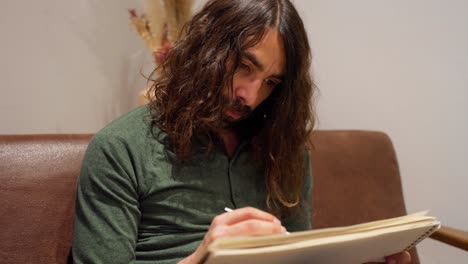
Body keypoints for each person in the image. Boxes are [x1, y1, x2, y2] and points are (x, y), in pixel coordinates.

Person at [72, 1, 411, 263]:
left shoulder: (284, 147)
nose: (250, 96)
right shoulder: (121, 147)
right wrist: (201, 258)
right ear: (207, 50)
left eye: (271, 83)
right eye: (244, 67)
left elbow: (297, 255)